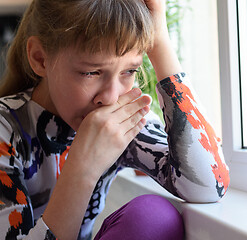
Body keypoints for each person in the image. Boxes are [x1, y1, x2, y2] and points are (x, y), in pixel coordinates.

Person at [0, 0, 230, 239]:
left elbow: (210, 186)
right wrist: (83, 169)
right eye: (91, 72)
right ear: (40, 59)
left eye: (129, 71)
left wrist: (159, 38)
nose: (111, 98)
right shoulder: (5, 129)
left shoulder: (120, 123)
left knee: (153, 217)